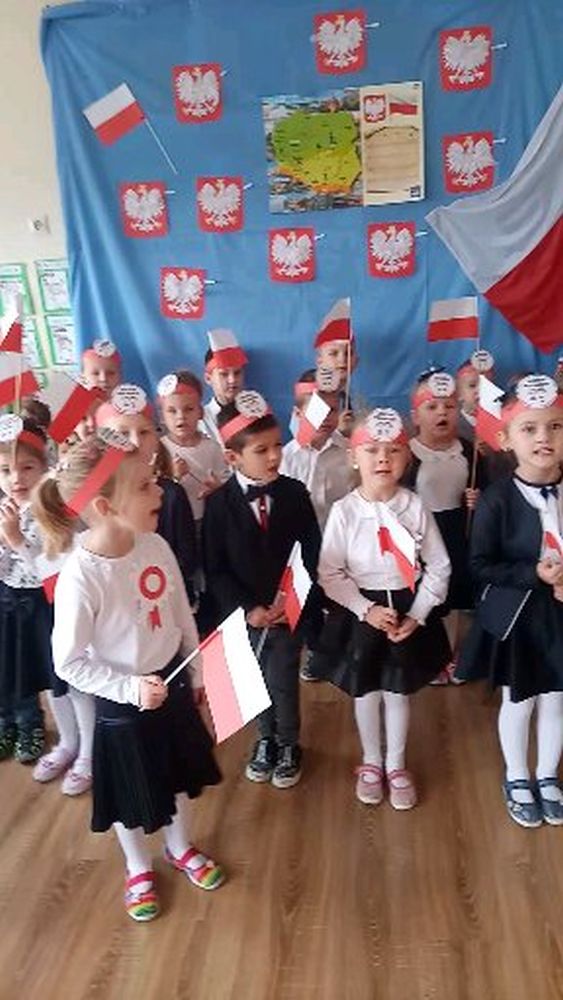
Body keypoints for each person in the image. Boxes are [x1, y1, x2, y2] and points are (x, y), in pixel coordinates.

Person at [36, 436, 223, 921]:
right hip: (121, 702)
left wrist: (196, 674)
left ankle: (179, 848)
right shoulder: (81, 576)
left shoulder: (156, 544)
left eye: (153, 480)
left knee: (176, 776)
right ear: (104, 507)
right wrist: (129, 688)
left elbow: (180, 614)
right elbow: (68, 663)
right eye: (144, 486)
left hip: (171, 685)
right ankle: (138, 866)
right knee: (131, 790)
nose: (160, 491)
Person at [310, 409, 451, 809]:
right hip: (362, 612)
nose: (383, 458)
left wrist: (418, 614)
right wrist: (364, 608)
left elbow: (439, 566)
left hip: (406, 608)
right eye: (372, 450)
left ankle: (396, 764)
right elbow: (329, 573)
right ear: (354, 457)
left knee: (397, 690)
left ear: (407, 457)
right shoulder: (344, 511)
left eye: (393, 450)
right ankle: (372, 761)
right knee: (367, 690)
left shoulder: (415, 507)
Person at [457, 374, 563, 828]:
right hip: (520, 616)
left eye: (555, 426)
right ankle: (518, 774)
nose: (544, 437)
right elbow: (480, 566)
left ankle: (547, 774)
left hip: (560, 615)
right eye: (530, 428)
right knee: (520, 699)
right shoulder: (497, 499)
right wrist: (533, 574)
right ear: (505, 439)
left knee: (557, 698)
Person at [203, 391, 321, 789]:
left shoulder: (295, 493)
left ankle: (289, 742)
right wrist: (248, 608)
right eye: (261, 450)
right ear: (232, 457)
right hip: (246, 616)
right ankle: (265, 738)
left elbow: (312, 550)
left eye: (276, 446)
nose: (274, 457)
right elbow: (216, 568)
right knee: (253, 679)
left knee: (282, 677)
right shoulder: (218, 506)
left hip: (287, 610)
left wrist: (293, 597)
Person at [405, 368, 485, 682]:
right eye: (432, 407)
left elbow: (485, 488)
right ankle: (426, 655)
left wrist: (477, 500)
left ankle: (451, 654)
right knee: (425, 594)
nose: (442, 413)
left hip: (456, 531)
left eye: (449, 406)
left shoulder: (469, 452)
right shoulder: (407, 453)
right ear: (416, 416)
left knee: (453, 595)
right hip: (420, 533)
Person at [94, 384, 198, 602]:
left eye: (144, 432)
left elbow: (187, 558)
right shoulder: (94, 498)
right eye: (123, 433)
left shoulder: (171, 495)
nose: (135, 442)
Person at [0, 418, 58, 765]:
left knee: (28, 666)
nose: (16, 479)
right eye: (5, 470)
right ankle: (5, 719)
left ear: (43, 468)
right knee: (4, 663)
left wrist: (16, 539)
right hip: (4, 599)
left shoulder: (48, 512)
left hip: (36, 603)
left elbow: (46, 571)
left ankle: (29, 721)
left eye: (26, 468)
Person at [314, 298, 357, 437]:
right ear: (320, 361)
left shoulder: (357, 400)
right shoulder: (313, 399)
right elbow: (305, 442)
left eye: (348, 353)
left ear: (356, 361)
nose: (342, 360)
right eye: (333, 353)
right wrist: (339, 432)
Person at [202, 329, 248, 444]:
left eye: (237, 373)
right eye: (224, 374)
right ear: (208, 378)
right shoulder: (201, 419)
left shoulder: (256, 412)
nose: (232, 380)